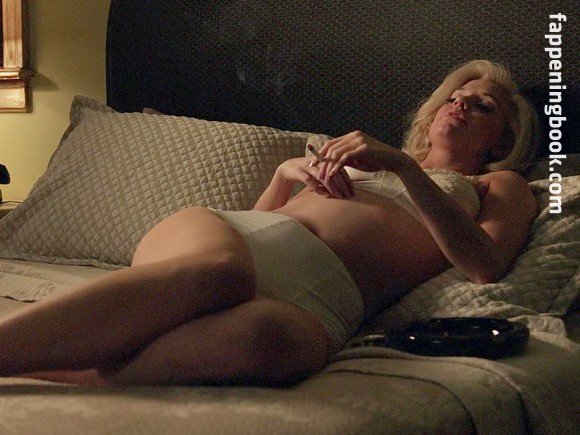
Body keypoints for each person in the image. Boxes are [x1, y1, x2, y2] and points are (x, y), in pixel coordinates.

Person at [0, 60, 539, 387]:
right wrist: (284, 175)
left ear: (502, 139)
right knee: (221, 272)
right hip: (235, 242)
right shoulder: (366, 158)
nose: (459, 106)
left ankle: (65, 368)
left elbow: (485, 265)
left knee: (272, 342)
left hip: (327, 302)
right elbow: (262, 222)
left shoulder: (499, 185)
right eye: (454, 97)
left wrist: (402, 166)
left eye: (482, 106)